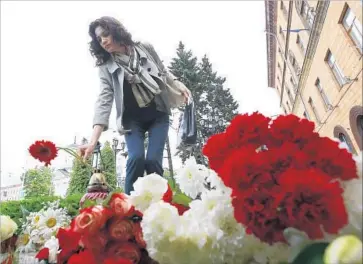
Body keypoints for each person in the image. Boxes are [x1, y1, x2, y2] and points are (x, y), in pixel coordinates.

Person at [78, 16, 191, 194]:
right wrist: (93, 141)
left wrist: (178, 85)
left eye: (105, 34)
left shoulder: (145, 48)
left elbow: (163, 71)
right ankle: (128, 208)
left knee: (153, 160)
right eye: (99, 39)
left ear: (116, 31)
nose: (103, 41)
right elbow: (104, 100)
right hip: (131, 121)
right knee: (136, 158)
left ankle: (160, 206)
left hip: (158, 114)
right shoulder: (106, 67)